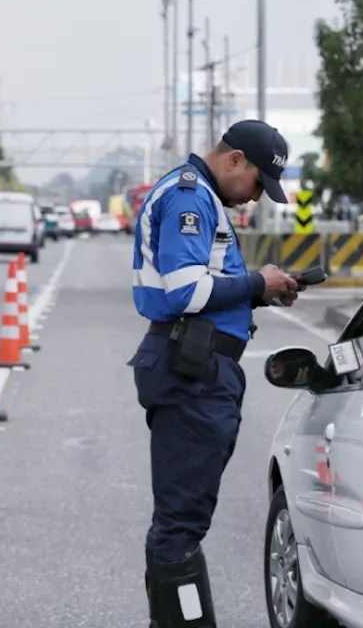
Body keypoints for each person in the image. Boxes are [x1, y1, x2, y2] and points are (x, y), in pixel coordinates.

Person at [129, 120, 302, 627]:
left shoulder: (200, 195)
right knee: (180, 528)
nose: (253, 199)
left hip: (198, 366)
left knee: (178, 524)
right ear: (234, 161)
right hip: (193, 373)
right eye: (255, 184)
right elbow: (185, 291)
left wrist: (262, 291)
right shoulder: (191, 198)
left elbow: (205, 291)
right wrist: (254, 282)